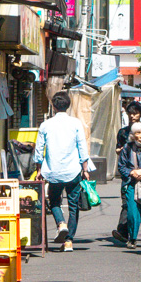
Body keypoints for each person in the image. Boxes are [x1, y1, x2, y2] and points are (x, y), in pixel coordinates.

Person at [32, 90, 90, 252]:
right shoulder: (76, 123)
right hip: (73, 171)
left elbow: (39, 150)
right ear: (68, 105)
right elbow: (82, 147)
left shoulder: (45, 125)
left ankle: (61, 223)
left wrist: (39, 169)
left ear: (53, 106)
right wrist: (85, 169)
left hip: (53, 171)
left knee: (55, 201)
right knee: (73, 206)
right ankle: (69, 241)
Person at [112, 101, 141, 244]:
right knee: (126, 202)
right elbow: (117, 148)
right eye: (130, 113)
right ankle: (123, 231)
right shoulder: (123, 132)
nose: (132, 116)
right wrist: (120, 151)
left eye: (135, 113)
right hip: (128, 172)